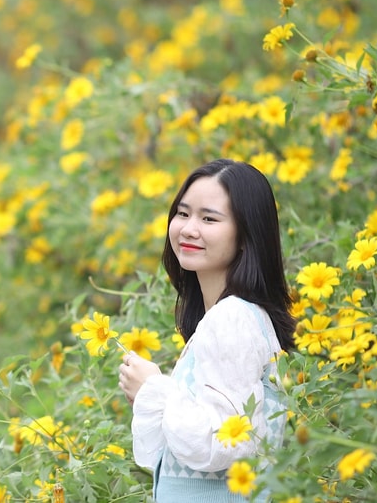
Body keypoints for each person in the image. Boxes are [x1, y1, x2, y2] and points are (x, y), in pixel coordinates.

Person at [118, 159, 296, 501]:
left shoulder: (231, 319)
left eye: (209, 218)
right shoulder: (234, 316)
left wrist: (155, 389)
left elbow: (222, 442)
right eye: (183, 214)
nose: (188, 229)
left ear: (246, 235)